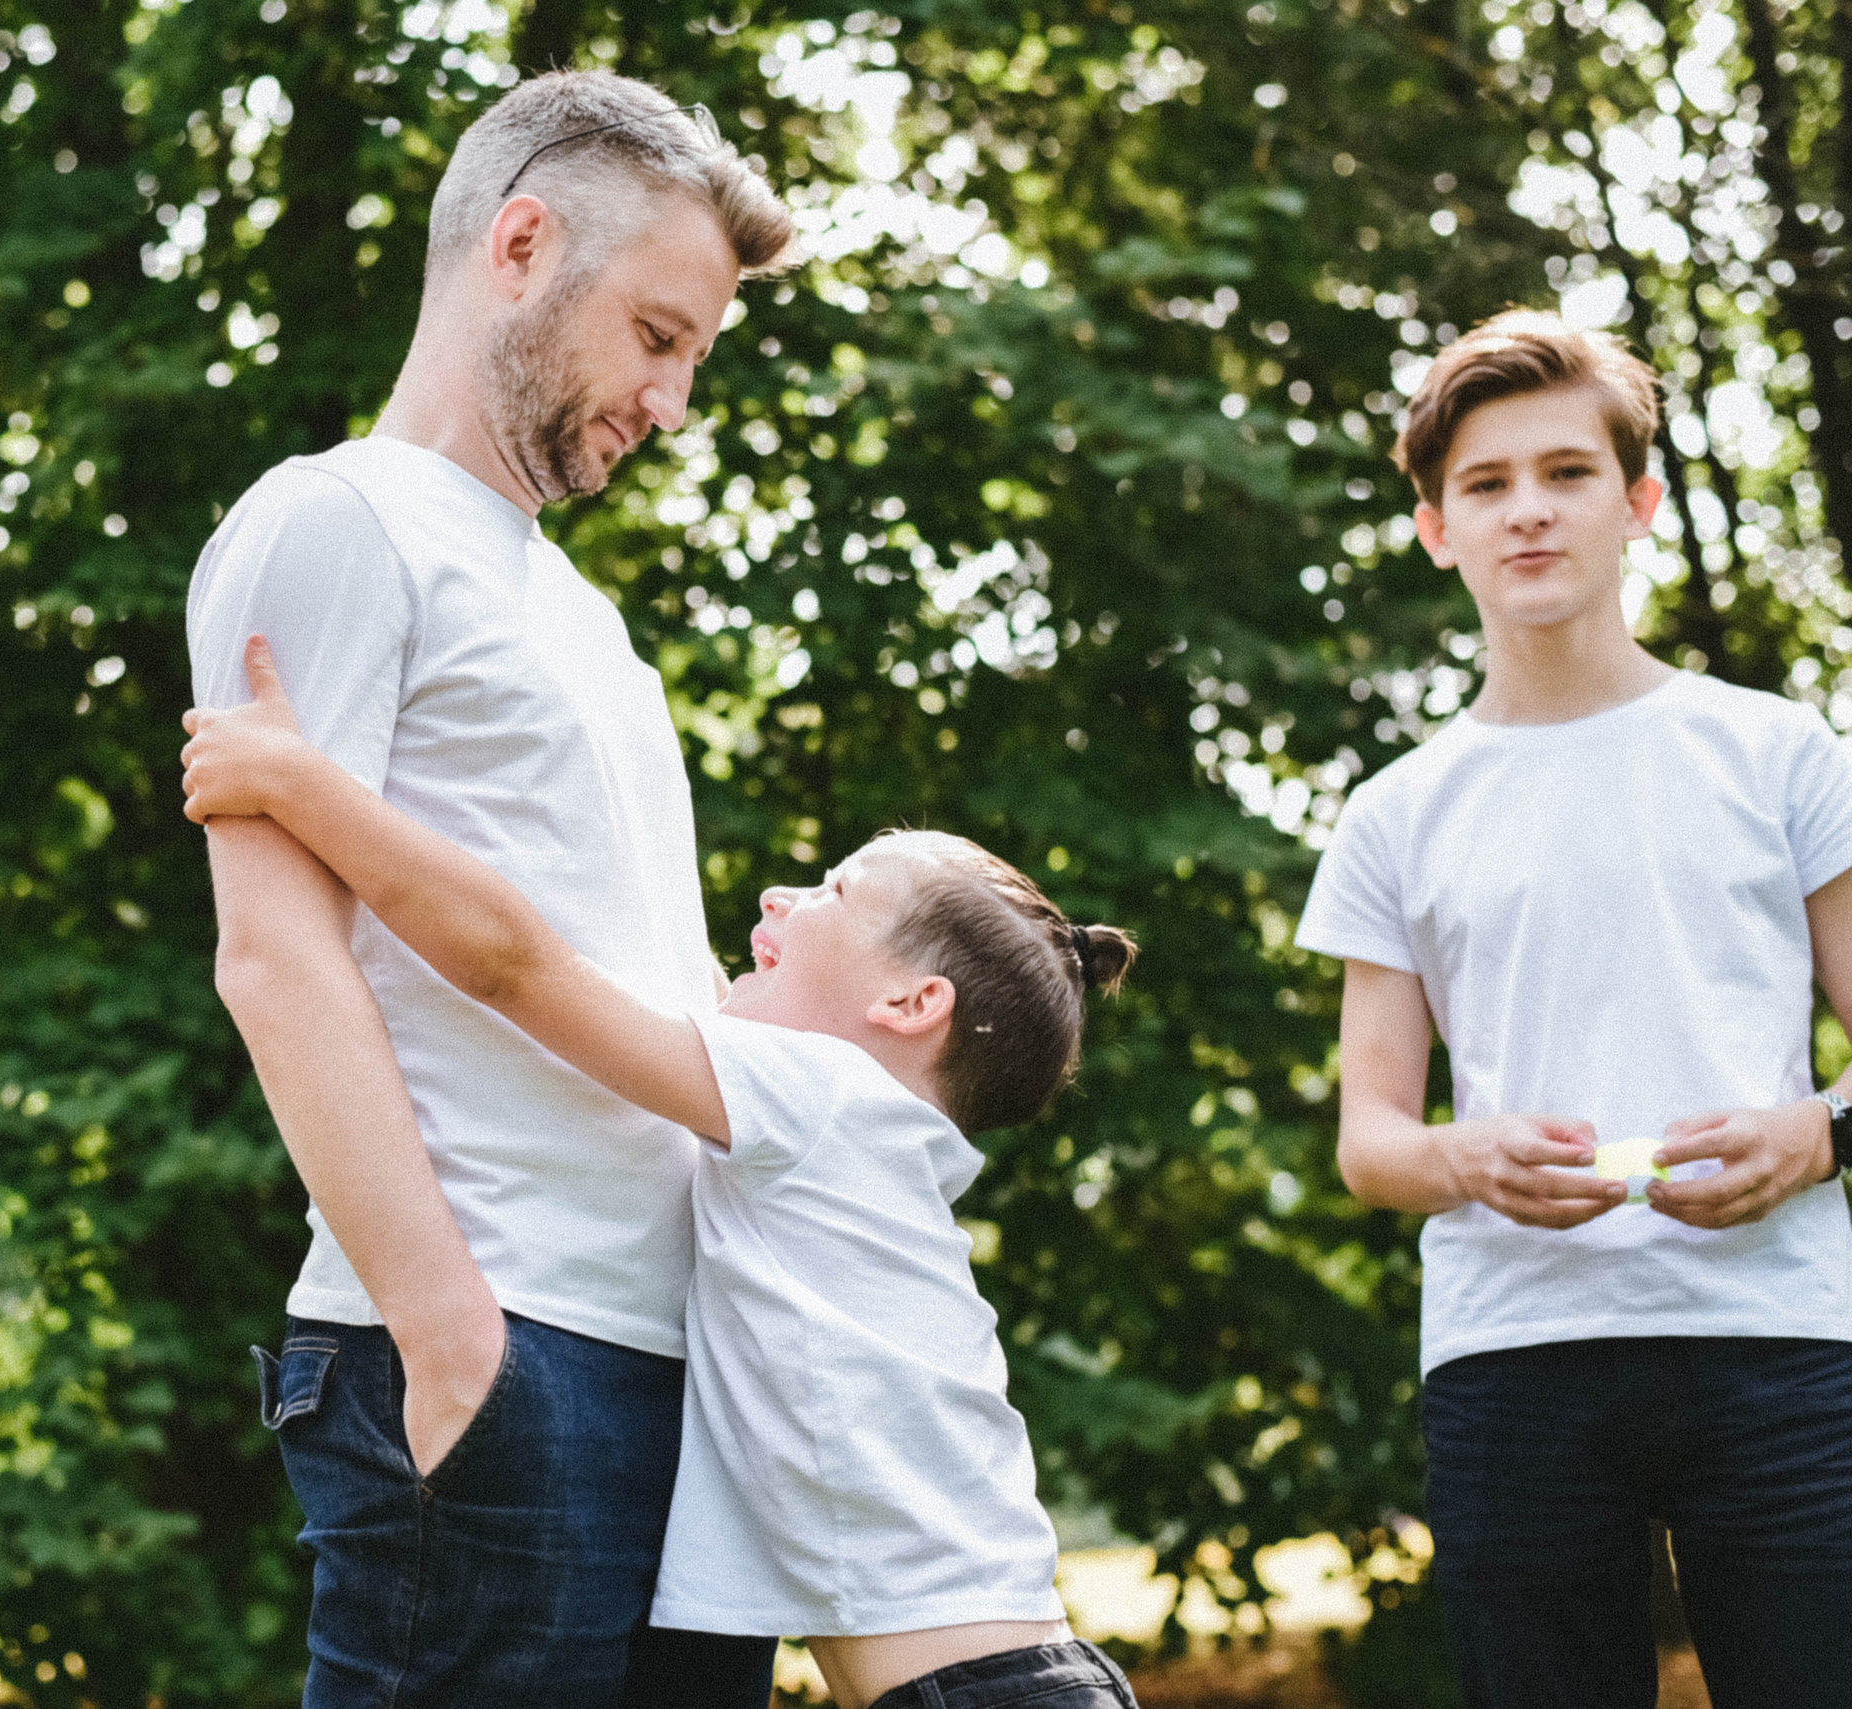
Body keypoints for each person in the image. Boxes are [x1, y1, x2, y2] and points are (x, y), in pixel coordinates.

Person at [179, 636, 1144, 1709]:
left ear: (912, 1005)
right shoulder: (878, 1150)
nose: (781, 893)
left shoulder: (816, 1095)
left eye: (831, 890)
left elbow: (516, 964)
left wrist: (298, 783)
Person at [185, 69, 793, 1708]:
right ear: (519, 244)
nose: (670, 400)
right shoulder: (335, 522)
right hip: (495, 1346)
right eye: (659, 337)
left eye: (696, 358)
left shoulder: (578, 614)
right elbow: (274, 955)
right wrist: (452, 1333)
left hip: (671, 1361)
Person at [1296, 311, 1852, 1708]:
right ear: (1437, 528)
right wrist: (1464, 1156)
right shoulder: (1393, 814)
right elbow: (1372, 1138)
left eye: (1566, 473)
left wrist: (1817, 1136)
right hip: (1512, 1358)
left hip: (1781, 1342)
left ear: (1638, 502)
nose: (1527, 511)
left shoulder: (1779, 752)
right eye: (1485, 485)